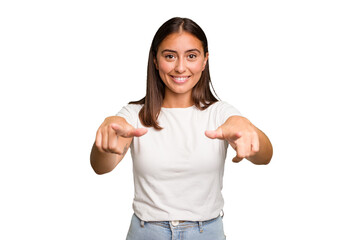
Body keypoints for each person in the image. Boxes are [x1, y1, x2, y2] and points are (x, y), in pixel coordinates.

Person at [90, 17, 273, 240]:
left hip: (206, 232)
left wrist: (247, 128)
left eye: (191, 56)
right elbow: (101, 167)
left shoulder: (220, 113)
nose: (180, 67)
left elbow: (265, 157)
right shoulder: (133, 115)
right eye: (169, 56)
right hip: (147, 232)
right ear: (156, 61)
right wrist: (105, 144)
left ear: (205, 60)